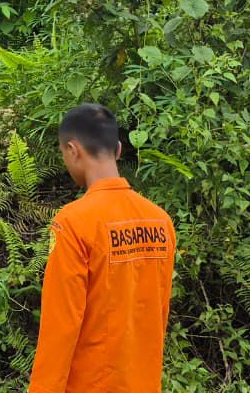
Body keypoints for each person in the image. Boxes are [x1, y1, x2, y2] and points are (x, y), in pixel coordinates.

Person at [28, 103, 176, 393]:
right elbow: (158, 314)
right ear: (119, 149)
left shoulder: (72, 223)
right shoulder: (160, 222)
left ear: (72, 150)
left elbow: (60, 327)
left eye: (63, 154)